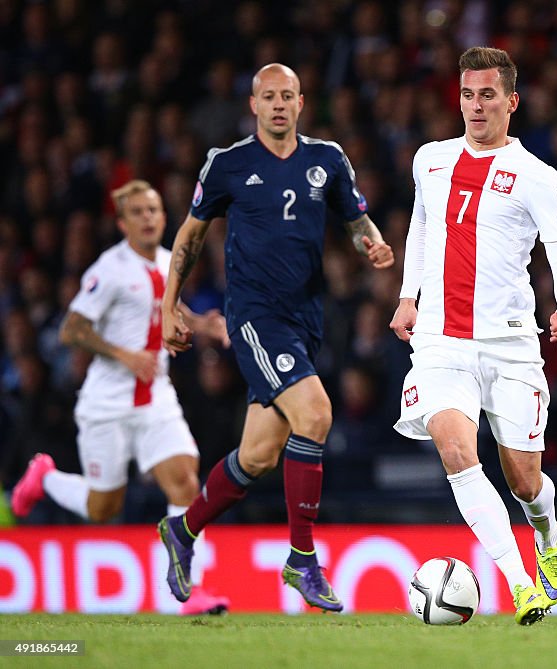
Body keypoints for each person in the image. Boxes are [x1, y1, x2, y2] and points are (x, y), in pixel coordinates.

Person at [157, 63, 394, 612]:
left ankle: (184, 530)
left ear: (302, 102)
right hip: (255, 317)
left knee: (258, 456)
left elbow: (356, 222)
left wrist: (373, 245)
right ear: (254, 104)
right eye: (270, 96)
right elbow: (191, 236)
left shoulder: (327, 160)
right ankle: (302, 558)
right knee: (315, 415)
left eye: (288, 95)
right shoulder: (228, 165)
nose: (280, 104)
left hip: (305, 319)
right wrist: (170, 306)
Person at [389, 47, 557, 626]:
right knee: (455, 451)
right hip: (441, 340)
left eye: (488, 95)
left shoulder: (537, 177)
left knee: (524, 480)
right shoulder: (431, 159)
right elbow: (421, 225)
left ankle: (545, 532)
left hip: (511, 343)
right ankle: (521, 584)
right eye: (468, 94)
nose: (476, 106)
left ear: (511, 102)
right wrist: (407, 294)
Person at [10, 179, 232, 615]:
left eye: (154, 210)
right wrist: (124, 355)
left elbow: (168, 308)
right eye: (138, 212)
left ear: (164, 217)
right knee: (102, 506)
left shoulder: (172, 264)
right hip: (107, 405)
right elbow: (71, 328)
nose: (148, 218)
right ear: (122, 222)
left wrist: (202, 325)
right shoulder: (107, 270)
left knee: (186, 480)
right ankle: (45, 478)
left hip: (156, 401)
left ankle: (191, 590)